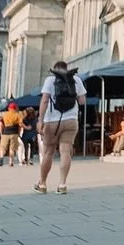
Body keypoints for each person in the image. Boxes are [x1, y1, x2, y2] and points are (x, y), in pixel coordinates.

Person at [35, 61, 85, 195]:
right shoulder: (76, 80)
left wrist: (40, 120)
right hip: (71, 120)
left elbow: (45, 100)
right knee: (66, 151)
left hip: (52, 121)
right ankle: (62, 184)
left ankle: (43, 183)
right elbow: (82, 101)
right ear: (66, 69)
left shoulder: (50, 80)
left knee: (48, 152)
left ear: (55, 70)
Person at [0, 99, 24, 167]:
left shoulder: (4, 115)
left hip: (5, 132)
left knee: (2, 147)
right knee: (12, 148)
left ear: (9, 108)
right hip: (14, 132)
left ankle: (1, 157)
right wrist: (19, 132)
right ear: (15, 108)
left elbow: (0, 124)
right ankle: (11, 162)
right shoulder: (18, 115)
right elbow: (20, 125)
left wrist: (1, 133)